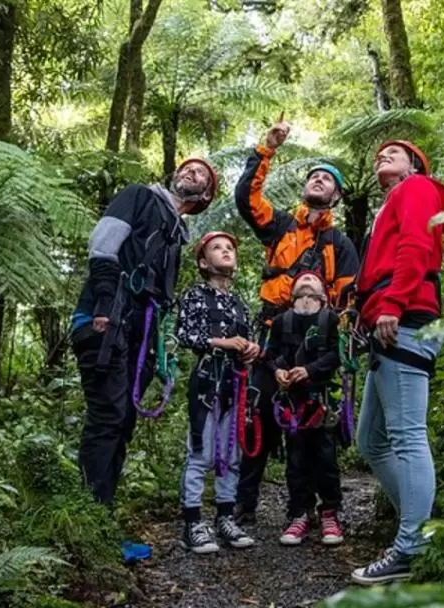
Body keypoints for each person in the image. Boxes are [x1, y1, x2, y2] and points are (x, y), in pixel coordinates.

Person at [70, 158, 218, 515]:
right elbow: (103, 245)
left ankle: (100, 513)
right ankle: (89, 517)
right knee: (108, 417)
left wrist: (157, 353)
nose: (189, 172)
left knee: (123, 420)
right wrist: (105, 305)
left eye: (200, 173)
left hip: (138, 332)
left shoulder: (174, 233)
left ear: (206, 195)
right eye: (187, 167)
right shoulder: (138, 196)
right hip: (106, 319)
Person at [233, 116, 360, 527]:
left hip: (314, 344)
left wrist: (332, 352)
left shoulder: (340, 245)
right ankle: (244, 509)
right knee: (260, 419)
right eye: (314, 176)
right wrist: (266, 149)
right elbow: (246, 199)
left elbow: (348, 298)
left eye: (328, 179)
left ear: (337, 196)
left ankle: (313, 511)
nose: (319, 180)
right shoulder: (282, 227)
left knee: (312, 432)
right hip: (272, 338)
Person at [350, 141, 444, 585]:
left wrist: (392, 300)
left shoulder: (417, 188)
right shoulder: (390, 203)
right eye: (379, 154)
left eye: (395, 151)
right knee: (370, 440)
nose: (382, 156)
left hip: (405, 318)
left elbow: (416, 244)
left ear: (416, 164)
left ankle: (412, 546)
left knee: (407, 437)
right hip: (387, 323)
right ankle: (419, 531)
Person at [175, 231, 260, 553]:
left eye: (229, 247)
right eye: (217, 248)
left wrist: (250, 349)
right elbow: (185, 333)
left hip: (235, 385)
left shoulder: (239, 302)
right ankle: (193, 522)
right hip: (207, 382)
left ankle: (225, 517)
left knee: (232, 455)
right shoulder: (195, 294)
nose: (226, 251)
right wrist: (221, 342)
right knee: (201, 453)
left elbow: (249, 339)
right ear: (202, 262)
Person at [264, 271, 345, 546]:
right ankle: (299, 512)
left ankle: (330, 513)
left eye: (313, 281)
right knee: (296, 460)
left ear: (323, 294)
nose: (307, 281)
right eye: (302, 281)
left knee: (326, 458)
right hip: (292, 405)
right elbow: (271, 354)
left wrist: (310, 370)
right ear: (292, 293)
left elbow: (338, 354)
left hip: (322, 400)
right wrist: (278, 372)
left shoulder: (331, 320)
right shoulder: (281, 322)